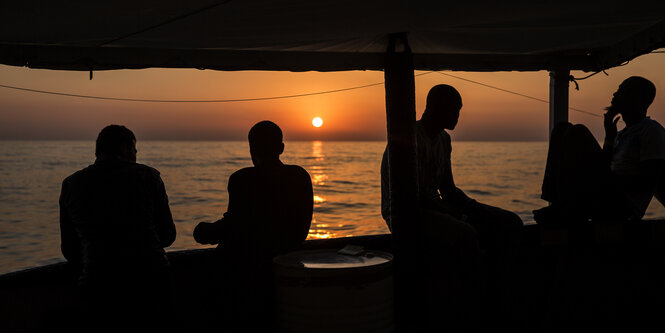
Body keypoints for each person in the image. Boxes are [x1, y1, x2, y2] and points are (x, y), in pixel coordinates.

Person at [381, 84, 523, 331]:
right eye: (454, 110)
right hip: (405, 213)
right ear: (435, 108)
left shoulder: (444, 140)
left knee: (509, 222)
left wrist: (478, 208)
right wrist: (457, 214)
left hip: (434, 208)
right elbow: (411, 197)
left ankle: (503, 298)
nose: (458, 116)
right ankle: (471, 307)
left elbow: (448, 190)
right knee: (466, 233)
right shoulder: (410, 136)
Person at [193, 120, 313, 330]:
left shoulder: (242, 179)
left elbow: (234, 227)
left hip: (248, 273)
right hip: (289, 262)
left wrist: (203, 231)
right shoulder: (300, 176)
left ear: (251, 148)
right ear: (281, 148)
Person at [59, 125, 176, 332]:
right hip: (149, 281)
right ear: (124, 148)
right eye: (134, 150)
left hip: (97, 286)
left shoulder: (71, 184)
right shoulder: (148, 176)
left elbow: (70, 251)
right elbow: (167, 237)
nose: (136, 156)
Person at [536, 76, 665, 224]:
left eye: (622, 91)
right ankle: (558, 203)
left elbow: (648, 181)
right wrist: (609, 137)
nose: (615, 94)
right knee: (561, 129)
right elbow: (605, 164)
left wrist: (605, 178)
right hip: (605, 194)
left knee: (578, 132)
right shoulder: (620, 134)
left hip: (622, 206)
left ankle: (565, 207)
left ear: (637, 99)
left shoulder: (651, 130)